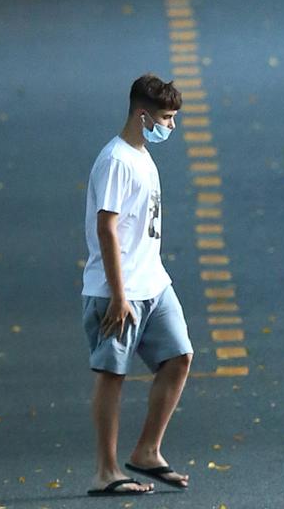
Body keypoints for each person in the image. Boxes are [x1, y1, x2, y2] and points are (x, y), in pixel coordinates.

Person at [82, 74, 193, 496]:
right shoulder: (116, 160)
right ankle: (106, 471)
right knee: (112, 374)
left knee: (179, 356)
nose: (171, 126)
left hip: (154, 283)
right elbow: (107, 229)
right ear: (142, 114)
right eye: (166, 117)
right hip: (118, 290)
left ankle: (148, 450)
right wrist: (118, 295)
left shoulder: (142, 155)